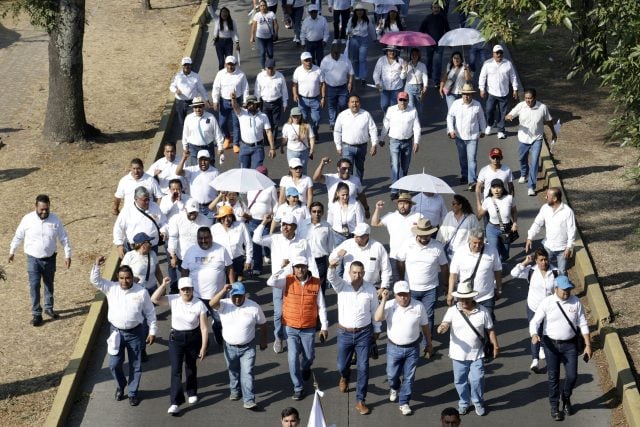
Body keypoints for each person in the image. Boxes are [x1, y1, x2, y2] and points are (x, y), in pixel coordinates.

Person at [90, 256, 158, 407]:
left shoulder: (141, 292)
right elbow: (95, 281)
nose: (124, 281)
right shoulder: (111, 288)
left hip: (136, 333)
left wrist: (152, 331)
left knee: (136, 365)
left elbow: (150, 313)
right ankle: (121, 385)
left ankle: (133, 393)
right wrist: (96, 265)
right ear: (117, 278)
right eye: (121, 278)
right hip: (116, 333)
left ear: (132, 278)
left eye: (127, 278)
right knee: (114, 364)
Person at [253, 213, 318, 353]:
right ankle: (279, 337)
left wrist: (315, 280)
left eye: (288, 225)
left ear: (295, 227)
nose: (285, 227)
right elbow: (256, 238)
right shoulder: (274, 239)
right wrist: (264, 222)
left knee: (294, 311)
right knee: (278, 313)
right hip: (279, 282)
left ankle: (292, 337)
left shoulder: (302, 242)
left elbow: (310, 261)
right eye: (283, 224)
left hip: (296, 282)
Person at [530, 275, 591, 421]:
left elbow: (583, 324)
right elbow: (535, 321)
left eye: (569, 289)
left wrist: (588, 345)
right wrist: (533, 334)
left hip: (569, 345)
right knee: (553, 377)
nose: (567, 292)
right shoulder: (547, 302)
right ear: (555, 289)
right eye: (564, 290)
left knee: (572, 376)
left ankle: (566, 397)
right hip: (550, 344)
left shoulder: (575, 302)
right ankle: (554, 406)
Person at [267, 257, 329, 400]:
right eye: (297, 267)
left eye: (303, 267)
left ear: (307, 267)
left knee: (309, 356)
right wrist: (281, 267)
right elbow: (270, 282)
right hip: (290, 326)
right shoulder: (287, 280)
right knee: (292, 358)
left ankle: (306, 367)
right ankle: (298, 387)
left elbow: (322, 306)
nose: (300, 270)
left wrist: (324, 326)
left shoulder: (316, 283)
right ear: (293, 268)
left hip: (308, 327)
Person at [437, 280, 499, 417]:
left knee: (477, 379)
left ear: (472, 297)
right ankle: (464, 402)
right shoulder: (452, 311)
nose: (464, 300)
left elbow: (490, 329)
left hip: (477, 353)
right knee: (460, 381)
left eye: (466, 298)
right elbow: (445, 323)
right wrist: (442, 327)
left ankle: (478, 402)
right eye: (461, 298)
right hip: (458, 355)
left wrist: (495, 345)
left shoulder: (483, 311)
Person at [328, 260, 381, 415]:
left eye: (360, 272)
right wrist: (332, 266)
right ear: (349, 273)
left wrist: (377, 329)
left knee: (363, 367)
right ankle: (344, 376)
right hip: (344, 333)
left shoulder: (370, 289)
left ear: (364, 273)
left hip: (364, 334)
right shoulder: (341, 286)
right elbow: (331, 277)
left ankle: (360, 400)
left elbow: (375, 311)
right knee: (341, 365)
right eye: (354, 272)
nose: (357, 275)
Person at [9, 194, 72, 326]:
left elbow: (63, 238)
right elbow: (18, 236)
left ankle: (49, 308)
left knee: (49, 284)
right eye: (41, 209)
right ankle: (37, 314)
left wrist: (67, 255)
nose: (44, 212)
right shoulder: (27, 219)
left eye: (46, 209)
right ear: (36, 207)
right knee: (34, 285)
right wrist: (12, 251)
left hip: (50, 259)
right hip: (33, 259)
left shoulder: (55, 220)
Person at [151, 277, 208, 416]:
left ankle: (192, 391)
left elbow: (204, 328)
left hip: (193, 337)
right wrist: (163, 285)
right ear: (179, 290)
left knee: (190, 366)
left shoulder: (199, 304)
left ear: (193, 289)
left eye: (188, 289)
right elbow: (154, 299)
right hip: (176, 338)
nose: (186, 292)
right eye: (183, 289)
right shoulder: (173, 299)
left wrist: (203, 347)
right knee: (176, 370)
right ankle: (175, 402)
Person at [374, 281, 431, 416]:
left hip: (412, 348)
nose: (403, 298)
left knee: (409, 377)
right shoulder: (389, 305)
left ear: (410, 294)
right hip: (394, 347)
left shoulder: (419, 306)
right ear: (395, 295)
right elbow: (377, 317)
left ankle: (404, 402)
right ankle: (394, 387)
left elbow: (425, 326)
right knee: (391, 374)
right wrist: (383, 300)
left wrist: (429, 343)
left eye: (406, 294)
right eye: (400, 295)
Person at [211, 282, 268, 410]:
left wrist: (263, 341)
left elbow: (263, 324)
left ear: (244, 295)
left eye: (240, 296)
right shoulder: (224, 304)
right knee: (233, 371)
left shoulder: (254, 307)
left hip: (248, 347)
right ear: (230, 295)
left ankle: (249, 400)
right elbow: (211, 303)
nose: (237, 299)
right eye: (234, 296)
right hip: (229, 347)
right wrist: (223, 289)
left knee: (247, 372)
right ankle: (235, 390)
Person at [396, 218, 449, 342]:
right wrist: (401, 281)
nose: (425, 237)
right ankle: (410, 339)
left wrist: (446, 285)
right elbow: (400, 262)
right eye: (422, 234)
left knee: (428, 316)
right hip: (410, 289)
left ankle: (427, 344)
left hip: (430, 289)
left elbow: (444, 266)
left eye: (427, 234)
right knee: (410, 315)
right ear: (417, 233)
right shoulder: (407, 244)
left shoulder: (437, 246)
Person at [181, 226, 234, 346]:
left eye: (206, 238)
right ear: (197, 239)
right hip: (197, 296)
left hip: (218, 295)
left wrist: (232, 285)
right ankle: (203, 344)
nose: (203, 241)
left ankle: (216, 328)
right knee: (198, 324)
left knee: (221, 320)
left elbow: (229, 268)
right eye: (200, 238)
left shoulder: (221, 250)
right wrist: (183, 288)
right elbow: (184, 271)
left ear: (211, 237)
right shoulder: (190, 251)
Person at [511, 248, 558, 372]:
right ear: (536, 261)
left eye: (546, 259)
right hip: (534, 308)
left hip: (549, 309)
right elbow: (514, 273)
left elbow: (559, 290)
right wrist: (524, 263)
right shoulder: (531, 271)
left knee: (545, 331)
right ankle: (535, 360)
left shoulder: (556, 272)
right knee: (535, 331)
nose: (544, 262)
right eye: (541, 260)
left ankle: (542, 347)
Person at [506, 88, 557, 196]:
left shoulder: (542, 107)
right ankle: (524, 174)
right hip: (523, 139)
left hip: (536, 139)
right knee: (522, 158)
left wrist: (553, 133)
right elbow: (510, 115)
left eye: (530, 98)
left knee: (534, 162)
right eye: (526, 98)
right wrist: (509, 116)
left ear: (535, 98)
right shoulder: (521, 106)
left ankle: (531, 186)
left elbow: (549, 121)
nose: (528, 101)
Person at [448, 229, 502, 321]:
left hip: (486, 296)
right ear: (469, 240)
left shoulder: (492, 251)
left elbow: (497, 271)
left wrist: (499, 288)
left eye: (480, 243)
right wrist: (450, 293)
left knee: (486, 324)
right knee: (467, 324)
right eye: (475, 243)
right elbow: (453, 274)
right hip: (465, 297)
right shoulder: (460, 252)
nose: (478, 246)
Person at [371, 192, 422, 282]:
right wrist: (377, 209)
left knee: (414, 282)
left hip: (413, 256)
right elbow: (374, 223)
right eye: (400, 203)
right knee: (398, 284)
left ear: (410, 205)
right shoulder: (391, 216)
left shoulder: (418, 216)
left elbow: (425, 232)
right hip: (395, 257)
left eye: (405, 203)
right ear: (397, 204)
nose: (402, 206)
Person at [525, 187, 576, 275]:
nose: (545, 197)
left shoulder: (568, 212)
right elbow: (537, 223)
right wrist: (530, 237)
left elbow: (572, 230)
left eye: (548, 196)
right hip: (548, 247)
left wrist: (569, 247)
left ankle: (560, 288)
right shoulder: (545, 208)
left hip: (562, 249)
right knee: (544, 269)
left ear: (555, 199)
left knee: (561, 272)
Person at [380, 92, 421, 199]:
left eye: (405, 100)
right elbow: (386, 125)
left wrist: (416, 142)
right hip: (394, 141)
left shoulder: (413, 110)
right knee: (395, 165)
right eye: (401, 100)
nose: (403, 102)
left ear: (408, 101)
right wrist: (381, 138)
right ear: (397, 100)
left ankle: (402, 186)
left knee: (405, 166)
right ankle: (394, 190)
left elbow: (416, 127)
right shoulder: (391, 110)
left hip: (407, 141)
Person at [447, 83, 486, 190]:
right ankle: (465, 175)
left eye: (468, 94)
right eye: (464, 94)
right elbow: (450, 117)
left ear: (472, 95)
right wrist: (451, 130)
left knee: (472, 159)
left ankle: (472, 181)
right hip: (459, 137)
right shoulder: (456, 104)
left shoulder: (477, 105)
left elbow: (481, 118)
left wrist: (483, 130)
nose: (466, 96)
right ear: (461, 94)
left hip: (473, 137)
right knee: (462, 158)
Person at [329, 222, 391, 290]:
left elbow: (386, 269)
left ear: (367, 236)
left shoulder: (378, 247)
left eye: (359, 236)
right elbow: (331, 259)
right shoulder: (347, 244)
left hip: (372, 288)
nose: (356, 237)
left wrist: (383, 287)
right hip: (349, 286)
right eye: (355, 234)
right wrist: (338, 255)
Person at [167, 199, 211, 294]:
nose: (193, 214)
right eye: (190, 212)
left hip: (199, 257)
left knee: (198, 281)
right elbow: (173, 237)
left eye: (195, 212)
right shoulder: (177, 219)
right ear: (185, 210)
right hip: (182, 257)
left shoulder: (206, 221)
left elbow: (209, 240)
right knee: (183, 282)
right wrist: (172, 255)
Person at [113, 186, 167, 258]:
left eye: (148, 199)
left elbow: (163, 222)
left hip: (152, 247)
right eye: (144, 200)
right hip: (135, 249)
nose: (147, 202)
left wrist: (164, 231)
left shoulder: (154, 206)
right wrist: (119, 245)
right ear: (136, 199)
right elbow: (118, 228)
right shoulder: (127, 210)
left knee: (153, 268)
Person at [333, 95, 378, 179]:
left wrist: (374, 144)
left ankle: (358, 188)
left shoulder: (366, 114)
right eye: (352, 102)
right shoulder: (342, 115)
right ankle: (348, 189)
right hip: (347, 147)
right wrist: (338, 146)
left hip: (362, 147)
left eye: (356, 102)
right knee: (347, 169)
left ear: (360, 104)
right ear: (348, 104)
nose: (354, 104)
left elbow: (373, 129)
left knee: (359, 169)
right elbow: (337, 131)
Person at [479, 44, 519, 139]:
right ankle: (489, 124)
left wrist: (515, 89)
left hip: (504, 93)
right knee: (489, 110)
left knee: (502, 113)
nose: (499, 55)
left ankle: (500, 130)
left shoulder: (508, 64)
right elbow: (482, 76)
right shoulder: (487, 64)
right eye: (497, 53)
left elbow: (513, 77)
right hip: (492, 93)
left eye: (500, 53)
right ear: (493, 54)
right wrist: (482, 88)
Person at [212, 55, 249, 151]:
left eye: (232, 64)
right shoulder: (220, 74)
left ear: (235, 65)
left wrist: (245, 102)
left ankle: (236, 143)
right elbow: (216, 87)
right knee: (222, 123)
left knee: (236, 123)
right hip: (224, 101)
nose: (230, 66)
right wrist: (215, 101)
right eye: (228, 64)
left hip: (237, 101)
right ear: (225, 64)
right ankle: (228, 137)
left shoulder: (241, 75)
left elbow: (245, 89)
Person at [246, 165, 278, 274]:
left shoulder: (271, 187)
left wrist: (272, 215)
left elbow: (276, 204)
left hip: (265, 221)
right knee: (255, 243)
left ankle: (267, 254)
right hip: (252, 220)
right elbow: (248, 202)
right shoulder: (250, 186)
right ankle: (257, 267)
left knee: (264, 242)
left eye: (264, 175)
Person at [476, 178, 518, 262]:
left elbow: (514, 212)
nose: (496, 190)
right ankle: (497, 268)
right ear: (490, 189)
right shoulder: (487, 201)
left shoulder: (509, 198)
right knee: (495, 250)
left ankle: (500, 262)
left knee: (505, 254)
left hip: (506, 229)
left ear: (503, 188)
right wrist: (471, 221)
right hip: (492, 229)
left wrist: (514, 223)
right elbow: (480, 215)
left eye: (499, 187)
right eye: (494, 187)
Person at [297, 201, 334, 295]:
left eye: (319, 211)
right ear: (310, 212)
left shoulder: (327, 226)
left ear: (322, 212)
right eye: (314, 211)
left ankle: (319, 308)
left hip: (320, 261)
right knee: (304, 285)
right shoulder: (302, 225)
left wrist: (331, 263)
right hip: (305, 260)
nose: (316, 214)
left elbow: (331, 246)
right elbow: (297, 242)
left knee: (320, 288)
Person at [231, 93, 277, 168]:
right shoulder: (241, 113)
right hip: (244, 146)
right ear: (246, 105)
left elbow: (268, 132)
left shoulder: (263, 116)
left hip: (258, 148)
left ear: (257, 104)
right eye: (249, 104)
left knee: (256, 172)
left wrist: (272, 148)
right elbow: (235, 106)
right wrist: (233, 99)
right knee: (243, 170)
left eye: (253, 103)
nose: (251, 105)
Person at [211, 206, 253, 282]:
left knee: (234, 283)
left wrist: (248, 260)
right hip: (221, 261)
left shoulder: (241, 225)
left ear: (233, 217)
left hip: (237, 260)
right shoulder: (214, 228)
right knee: (223, 283)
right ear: (220, 218)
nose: (226, 219)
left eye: (229, 216)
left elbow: (248, 242)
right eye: (224, 217)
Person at [176, 149, 220, 221]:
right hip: (195, 207)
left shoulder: (215, 172)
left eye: (205, 160)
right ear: (197, 160)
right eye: (200, 160)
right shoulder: (192, 170)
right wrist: (184, 158)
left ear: (209, 160)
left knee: (209, 228)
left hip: (211, 207)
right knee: (196, 228)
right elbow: (178, 172)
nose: (203, 162)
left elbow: (220, 190)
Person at [169, 56, 209, 135]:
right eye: (185, 65)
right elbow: (171, 86)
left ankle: (195, 134)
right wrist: (176, 90)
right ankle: (186, 135)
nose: (187, 66)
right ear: (182, 66)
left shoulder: (196, 76)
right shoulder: (177, 76)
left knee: (193, 119)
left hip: (192, 102)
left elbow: (201, 88)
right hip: (180, 102)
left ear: (191, 65)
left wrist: (206, 99)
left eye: (188, 65)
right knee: (182, 121)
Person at [181, 96, 225, 165]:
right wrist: (185, 147)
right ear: (193, 108)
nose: (198, 109)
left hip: (208, 147)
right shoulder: (188, 118)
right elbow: (185, 134)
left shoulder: (211, 117)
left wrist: (220, 146)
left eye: (200, 107)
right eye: (195, 107)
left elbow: (217, 133)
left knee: (210, 168)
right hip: (194, 148)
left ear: (203, 106)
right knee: (195, 170)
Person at [320, 43, 354, 131]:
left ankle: (342, 120)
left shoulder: (345, 59)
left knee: (343, 104)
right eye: (333, 53)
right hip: (330, 87)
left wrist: (350, 82)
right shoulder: (325, 60)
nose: (335, 55)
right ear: (331, 52)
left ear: (339, 52)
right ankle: (332, 122)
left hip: (343, 87)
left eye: (337, 53)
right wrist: (322, 87)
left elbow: (351, 72)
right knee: (332, 105)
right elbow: (322, 75)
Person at [255, 58, 288, 143]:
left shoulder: (280, 77)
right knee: (266, 122)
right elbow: (257, 91)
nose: (270, 70)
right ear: (265, 68)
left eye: (271, 68)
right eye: (268, 68)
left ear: (275, 67)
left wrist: (285, 103)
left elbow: (284, 90)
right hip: (265, 103)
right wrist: (257, 104)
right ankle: (267, 139)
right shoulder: (260, 76)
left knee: (275, 123)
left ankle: (272, 140)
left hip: (276, 103)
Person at [436, 195, 479, 262]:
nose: (451, 206)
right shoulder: (449, 215)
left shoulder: (471, 218)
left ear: (460, 206)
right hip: (451, 253)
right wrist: (438, 246)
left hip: (465, 253)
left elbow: (477, 233)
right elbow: (442, 231)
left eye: (453, 204)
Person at [292, 51, 325, 137]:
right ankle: (305, 135)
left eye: (309, 60)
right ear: (302, 61)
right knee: (303, 118)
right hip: (302, 99)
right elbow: (294, 84)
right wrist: (295, 94)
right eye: (306, 60)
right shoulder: (298, 71)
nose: (308, 62)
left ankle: (314, 131)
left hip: (315, 99)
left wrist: (323, 97)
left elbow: (323, 84)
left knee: (316, 118)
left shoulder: (318, 70)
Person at [326, 182, 365, 247]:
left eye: (347, 194)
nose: (345, 197)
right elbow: (329, 223)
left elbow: (360, 223)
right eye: (343, 195)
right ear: (337, 194)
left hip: (352, 236)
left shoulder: (355, 204)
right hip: (337, 237)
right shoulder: (333, 205)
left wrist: (358, 236)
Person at [419, 2, 450, 84]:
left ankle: (437, 80)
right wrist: (423, 39)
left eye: (438, 8)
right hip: (429, 44)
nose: (436, 9)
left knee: (438, 63)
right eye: (434, 8)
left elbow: (447, 30)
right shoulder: (427, 18)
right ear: (431, 9)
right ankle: (428, 76)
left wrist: (449, 42)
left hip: (440, 44)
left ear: (440, 9)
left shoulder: (443, 18)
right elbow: (421, 30)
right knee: (429, 61)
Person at [346, 4, 376, 85]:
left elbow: (371, 29)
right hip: (354, 40)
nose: (360, 12)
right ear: (355, 12)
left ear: (363, 11)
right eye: (358, 10)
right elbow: (347, 30)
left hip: (364, 40)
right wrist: (348, 32)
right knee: (354, 59)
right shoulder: (351, 20)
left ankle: (363, 76)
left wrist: (374, 38)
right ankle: (356, 75)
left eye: (361, 10)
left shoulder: (367, 19)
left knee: (362, 59)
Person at [373, 45, 406, 113]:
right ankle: (387, 114)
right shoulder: (381, 60)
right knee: (384, 105)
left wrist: (404, 69)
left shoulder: (401, 61)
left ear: (396, 52)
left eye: (394, 51)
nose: (392, 52)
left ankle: (391, 119)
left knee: (393, 106)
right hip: (384, 88)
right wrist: (377, 83)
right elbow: (376, 73)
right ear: (387, 51)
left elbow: (403, 77)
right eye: (390, 51)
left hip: (396, 88)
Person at [251, 0, 279, 70]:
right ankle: (263, 68)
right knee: (262, 52)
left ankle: (271, 67)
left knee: (270, 54)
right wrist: (252, 36)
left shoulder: (271, 14)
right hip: (260, 38)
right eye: (261, 6)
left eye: (264, 5)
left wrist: (276, 33)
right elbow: (254, 26)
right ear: (259, 7)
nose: (263, 7)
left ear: (266, 6)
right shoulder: (257, 15)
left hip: (269, 37)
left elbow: (276, 24)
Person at [404, 48, 428, 114]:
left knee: (419, 108)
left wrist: (425, 86)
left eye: (416, 55)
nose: (414, 56)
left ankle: (418, 122)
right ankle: (412, 123)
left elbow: (425, 76)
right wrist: (404, 69)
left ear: (418, 56)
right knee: (410, 106)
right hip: (409, 87)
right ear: (410, 56)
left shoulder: (422, 65)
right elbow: (402, 77)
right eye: (412, 55)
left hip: (419, 88)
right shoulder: (407, 64)